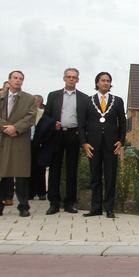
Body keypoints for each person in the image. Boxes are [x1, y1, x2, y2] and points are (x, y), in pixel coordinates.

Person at [0, 70, 38, 218]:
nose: (18, 80)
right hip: (1, 139)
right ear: (9, 80)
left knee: (21, 175)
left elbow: (31, 117)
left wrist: (16, 128)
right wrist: (6, 128)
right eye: (15, 78)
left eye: (21, 78)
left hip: (19, 139)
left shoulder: (29, 99)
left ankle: (23, 206)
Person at [78, 72, 126, 218]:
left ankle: (109, 208)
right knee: (95, 177)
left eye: (108, 81)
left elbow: (122, 123)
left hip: (111, 145)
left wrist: (121, 140)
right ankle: (96, 208)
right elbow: (81, 125)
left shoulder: (117, 101)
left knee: (110, 177)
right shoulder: (87, 101)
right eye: (103, 80)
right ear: (97, 83)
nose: (106, 83)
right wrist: (84, 143)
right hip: (93, 145)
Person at [45, 68, 90, 214]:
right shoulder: (53, 96)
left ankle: (69, 202)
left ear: (78, 80)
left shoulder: (84, 98)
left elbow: (87, 118)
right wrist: (53, 124)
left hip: (73, 135)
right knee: (54, 169)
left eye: (74, 77)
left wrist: (81, 131)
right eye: (69, 77)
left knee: (72, 169)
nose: (71, 79)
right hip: (57, 134)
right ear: (64, 78)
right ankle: (53, 202)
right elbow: (46, 115)